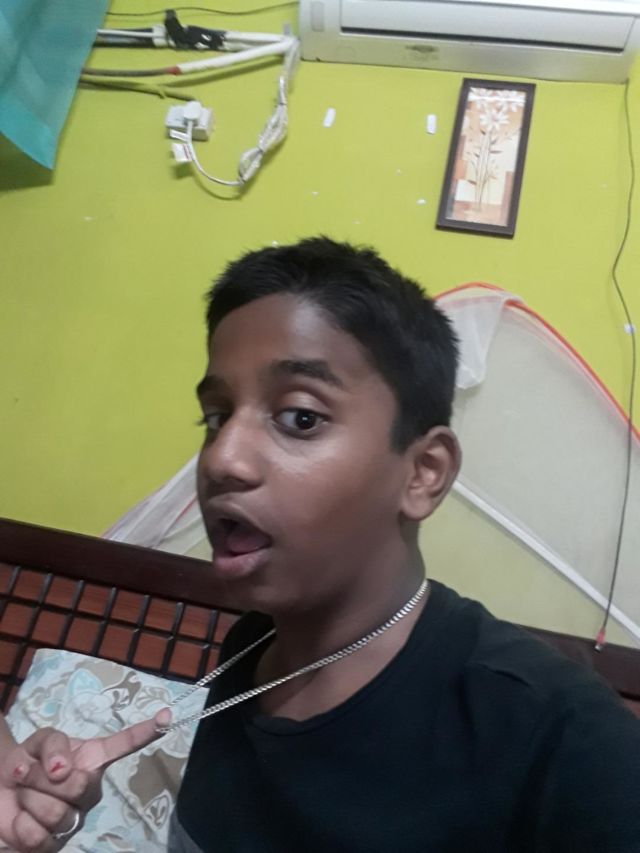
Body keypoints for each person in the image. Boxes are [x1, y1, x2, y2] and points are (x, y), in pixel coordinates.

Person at [1, 237, 639, 852]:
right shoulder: (251, 645)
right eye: (216, 417)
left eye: (300, 417)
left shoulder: (561, 740)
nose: (221, 458)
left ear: (424, 473)